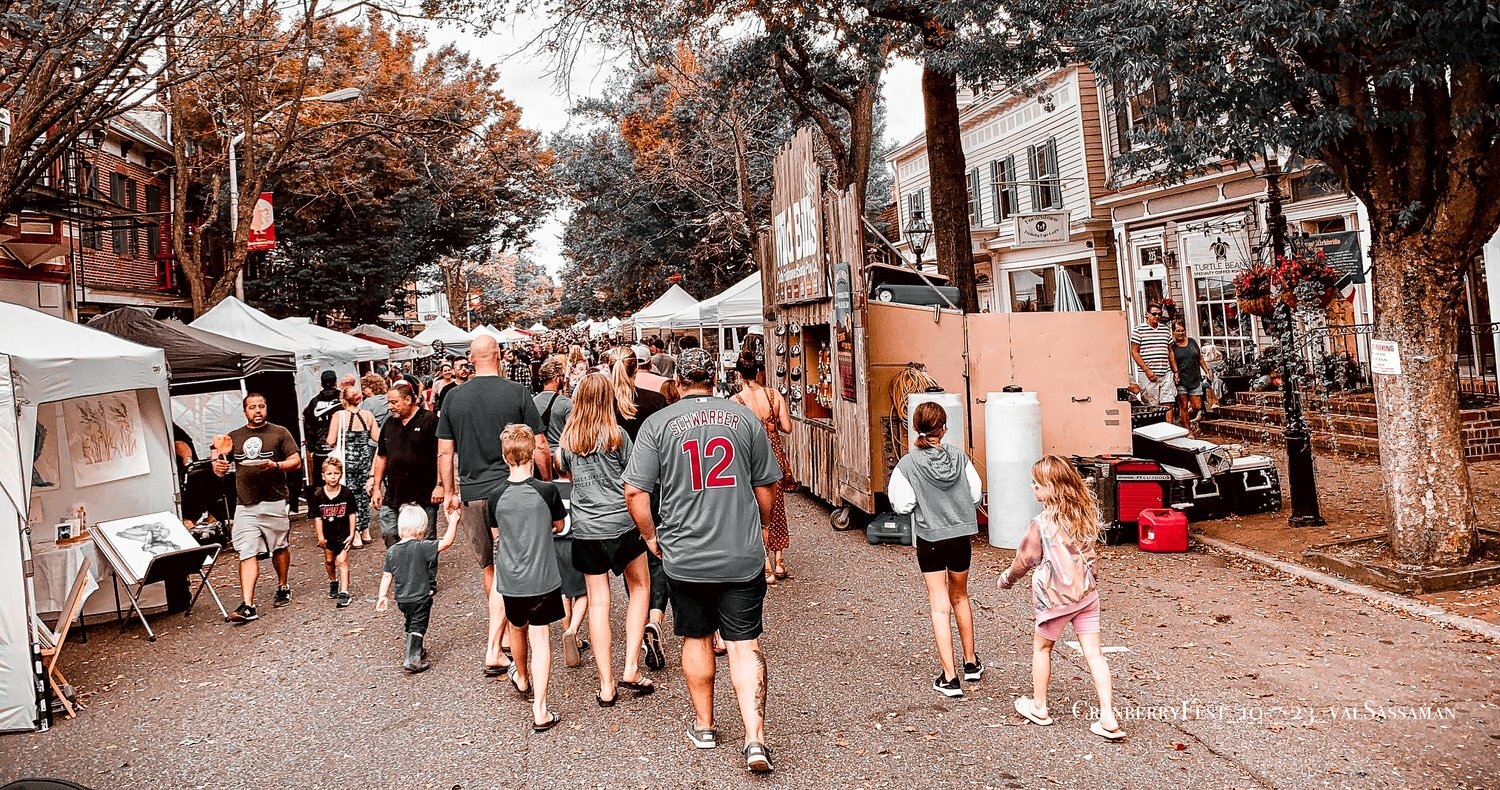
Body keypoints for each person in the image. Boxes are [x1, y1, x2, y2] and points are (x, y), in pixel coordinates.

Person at [623, 348, 783, 773]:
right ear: (715, 379)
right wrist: (763, 527)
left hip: (685, 554)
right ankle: (754, 740)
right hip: (741, 553)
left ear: (677, 383)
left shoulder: (657, 424)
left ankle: (706, 725)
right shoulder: (744, 417)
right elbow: (767, 484)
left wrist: (651, 536)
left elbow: (636, 493)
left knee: (695, 638)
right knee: (745, 644)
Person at [437, 335, 546, 676]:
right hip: (512, 489)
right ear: (498, 355)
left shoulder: (453, 397)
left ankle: (499, 640)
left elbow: (445, 451)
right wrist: (547, 480)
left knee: (490, 568)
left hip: (472, 493)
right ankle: (506, 636)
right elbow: (539, 444)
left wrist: (449, 490)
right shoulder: (516, 393)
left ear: (470, 359)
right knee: (516, 564)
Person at [998, 456, 1123, 740]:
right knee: (1094, 653)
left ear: (1052, 488)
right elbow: (1091, 557)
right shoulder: (1085, 514)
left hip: (1054, 600)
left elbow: (1025, 560)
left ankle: (1039, 706)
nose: (1033, 488)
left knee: (1042, 649)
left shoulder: (1041, 523)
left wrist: (1007, 578)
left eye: (1037, 484)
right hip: (1086, 595)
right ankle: (1107, 715)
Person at [556, 373, 655, 703]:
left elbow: (569, 478)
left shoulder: (568, 442)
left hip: (586, 529)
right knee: (640, 588)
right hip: (622, 525)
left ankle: (606, 685)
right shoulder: (618, 436)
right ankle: (630, 666)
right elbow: (632, 483)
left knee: (598, 602)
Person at [888, 402, 984, 699]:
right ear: (944, 427)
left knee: (939, 605)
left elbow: (901, 503)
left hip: (930, 538)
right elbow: (975, 493)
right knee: (961, 596)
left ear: (915, 427)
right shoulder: (960, 457)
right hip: (960, 536)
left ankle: (950, 677)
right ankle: (971, 662)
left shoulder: (907, 464)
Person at [487, 425, 568, 731]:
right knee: (541, 638)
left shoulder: (495, 496)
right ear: (533, 453)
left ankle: (521, 677)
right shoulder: (546, 492)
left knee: (517, 629)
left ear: (505, 457)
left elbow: (496, 536)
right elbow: (559, 525)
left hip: (511, 577)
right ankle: (541, 708)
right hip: (543, 577)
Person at [214, 393, 302, 623]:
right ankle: (248, 605)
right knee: (246, 551)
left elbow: (296, 461)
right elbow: (219, 465)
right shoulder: (235, 437)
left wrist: (276, 465)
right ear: (245, 411)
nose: (258, 410)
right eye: (252, 407)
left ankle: (283, 585)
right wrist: (220, 466)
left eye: (261, 406)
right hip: (245, 504)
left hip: (273, 500)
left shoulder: (279, 433)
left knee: (279, 546)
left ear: (266, 408)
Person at [730, 354, 793, 585]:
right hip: (774, 455)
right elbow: (787, 427)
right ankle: (779, 561)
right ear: (758, 372)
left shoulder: (735, 400)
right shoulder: (773, 395)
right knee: (776, 507)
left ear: (738, 374)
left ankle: (764, 563)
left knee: (755, 508)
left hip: (750, 458)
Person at [377, 505, 461, 673]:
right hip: (420, 597)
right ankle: (412, 659)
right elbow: (446, 543)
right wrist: (453, 521)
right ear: (422, 529)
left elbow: (387, 575)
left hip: (402, 599)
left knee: (411, 623)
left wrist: (382, 596)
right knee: (418, 626)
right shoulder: (421, 546)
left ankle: (416, 649)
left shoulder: (392, 551)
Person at [371, 382, 442, 546]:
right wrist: (376, 488)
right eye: (388, 402)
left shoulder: (429, 420)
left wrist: (440, 485)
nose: (390, 407)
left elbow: (441, 454)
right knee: (390, 533)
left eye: (394, 402)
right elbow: (381, 456)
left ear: (408, 399)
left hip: (424, 493)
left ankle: (425, 571)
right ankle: (398, 569)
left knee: (426, 538)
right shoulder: (389, 423)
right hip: (394, 492)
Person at [326, 385, 379, 548]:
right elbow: (378, 439)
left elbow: (330, 440)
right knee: (365, 494)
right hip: (364, 460)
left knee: (350, 497)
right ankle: (365, 530)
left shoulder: (339, 415)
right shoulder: (367, 416)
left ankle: (354, 531)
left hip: (346, 462)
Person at [310, 457, 357, 607]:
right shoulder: (318, 495)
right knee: (330, 561)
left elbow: (352, 514)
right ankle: (333, 581)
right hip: (328, 534)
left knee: (342, 561)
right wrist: (320, 537)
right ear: (323, 476)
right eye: (329, 474)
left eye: (336, 473)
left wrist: (352, 533)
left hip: (342, 534)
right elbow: (317, 518)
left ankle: (344, 592)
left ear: (341, 474)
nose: (333, 477)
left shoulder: (346, 493)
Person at [301, 370, 344, 510]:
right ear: (335, 381)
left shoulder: (314, 402)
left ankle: (318, 508)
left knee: (321, 480)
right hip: (339, 448)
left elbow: (308, 426)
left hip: (320, 449)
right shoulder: (343, 399)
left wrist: (312, 446)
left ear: (321, 383)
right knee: (340, 477)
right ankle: (340, 506)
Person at [1129, 305, 1175, 418]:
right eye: (1154, 314)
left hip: (1166, 372)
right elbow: (1134, 352)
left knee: (1168, 403)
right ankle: (1156, 431)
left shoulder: (1164, 329)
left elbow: (1170, 351)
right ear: (1147, 314)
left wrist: (1175, 370)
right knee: (1152, 405)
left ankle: (1169, 432)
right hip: (1148, 374)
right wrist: (1147, 370)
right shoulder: (1139, 330)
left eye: (1159, 314)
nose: (1157, 316)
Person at [533, 356, 573, 479]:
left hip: (538, 459)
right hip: (560, 459)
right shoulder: (566, 403)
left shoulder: (532, 402)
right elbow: (572, 434)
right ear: (556, 379)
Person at [1168, 320, 1212, 431]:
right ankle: (1188, 430)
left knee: (1197, 406)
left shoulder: (1192, 342)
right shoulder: (1172, 347)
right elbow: (1172, 362)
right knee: (1183, 405)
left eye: (1182, 330)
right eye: (1178, 331)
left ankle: (1184, 419)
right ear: (1173, 332)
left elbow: (1200, 358)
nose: (1180, 333)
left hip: (1194, 378)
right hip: (1181, 380)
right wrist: (1176, 373)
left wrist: (1207, 371)